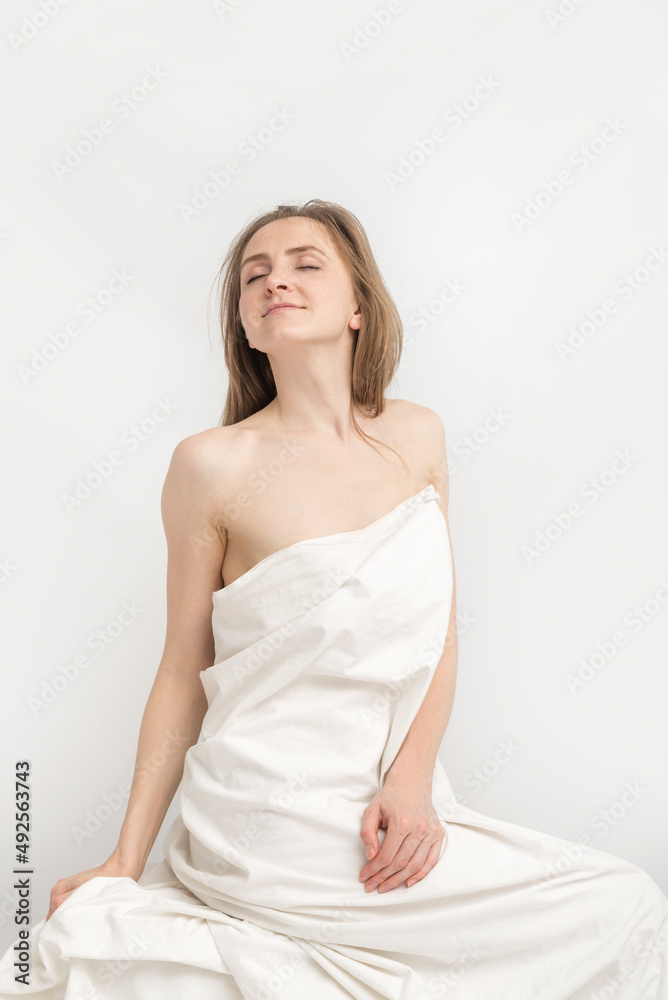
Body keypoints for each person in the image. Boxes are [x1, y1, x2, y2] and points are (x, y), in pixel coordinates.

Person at [1, 199, 666, 999]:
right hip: (265, 808)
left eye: (305, 264)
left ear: (358, 307)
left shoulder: (417, 436)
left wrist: (412, 783)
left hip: (392, 799)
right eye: (255, 275)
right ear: (247, 327)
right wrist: (124, 858)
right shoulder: (209, 465)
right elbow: (182, 670)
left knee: (620, 903)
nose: (274, 281)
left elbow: (439, 634)